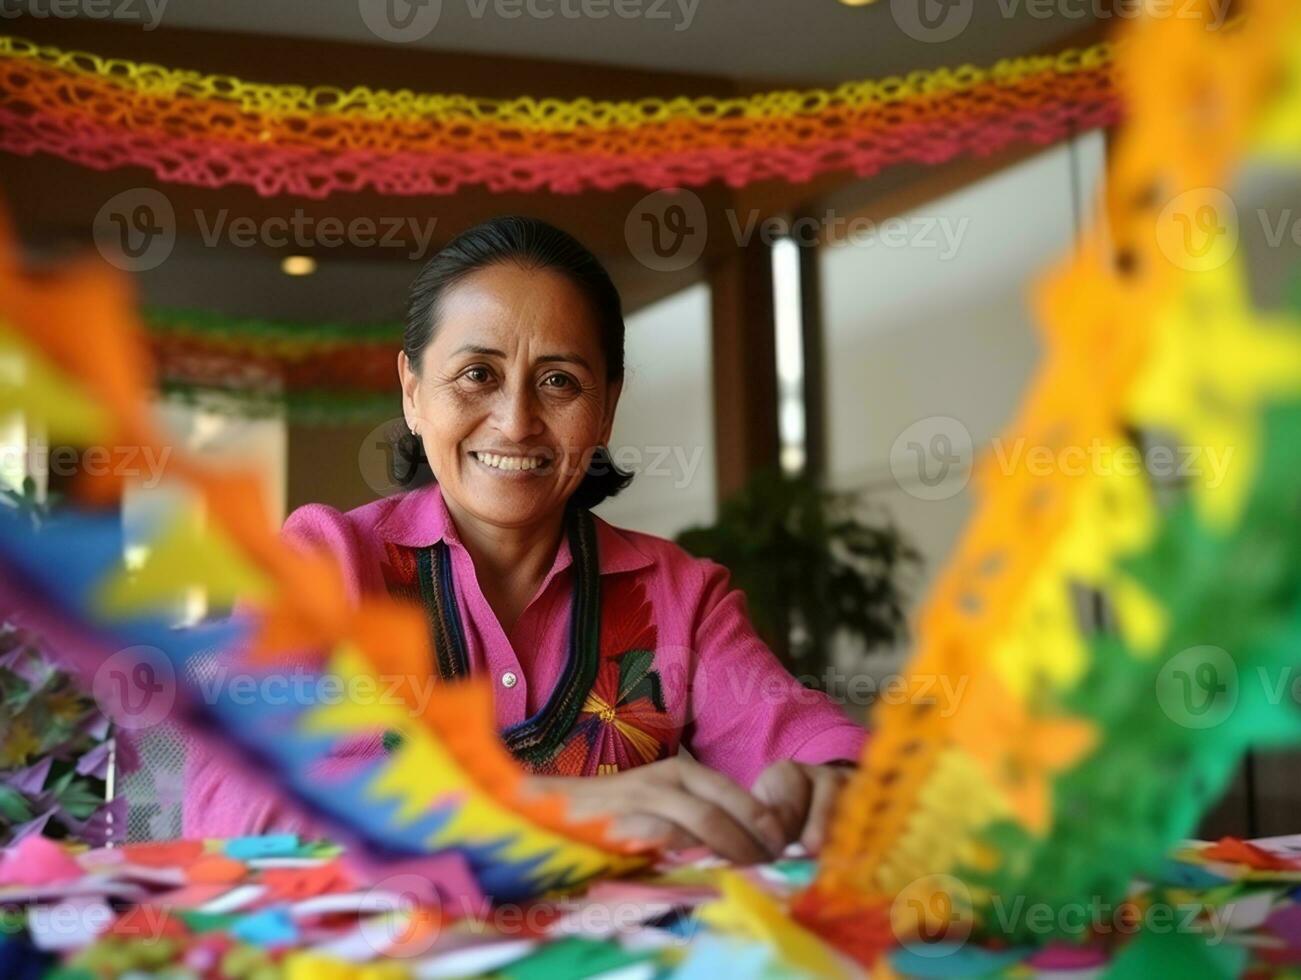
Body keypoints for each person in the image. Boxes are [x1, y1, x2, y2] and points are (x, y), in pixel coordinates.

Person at [185, 216, 866, 863]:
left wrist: (828, 788)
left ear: (605, 408)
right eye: (477, 374)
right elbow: (235, 810)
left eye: (559, 382)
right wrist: (554, 805)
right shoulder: (323, 563)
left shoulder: (680, 596)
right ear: (413, 392)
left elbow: (808, 742)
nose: (515, 423)